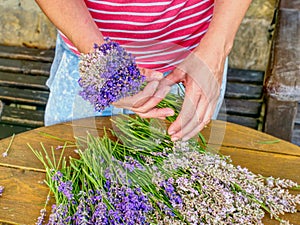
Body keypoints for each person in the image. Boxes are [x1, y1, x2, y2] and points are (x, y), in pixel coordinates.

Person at [35, 0, 252, 141]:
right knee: (70, 171)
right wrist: (100, 59)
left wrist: (217, 48)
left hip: (192, 65)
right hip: (87, 58)